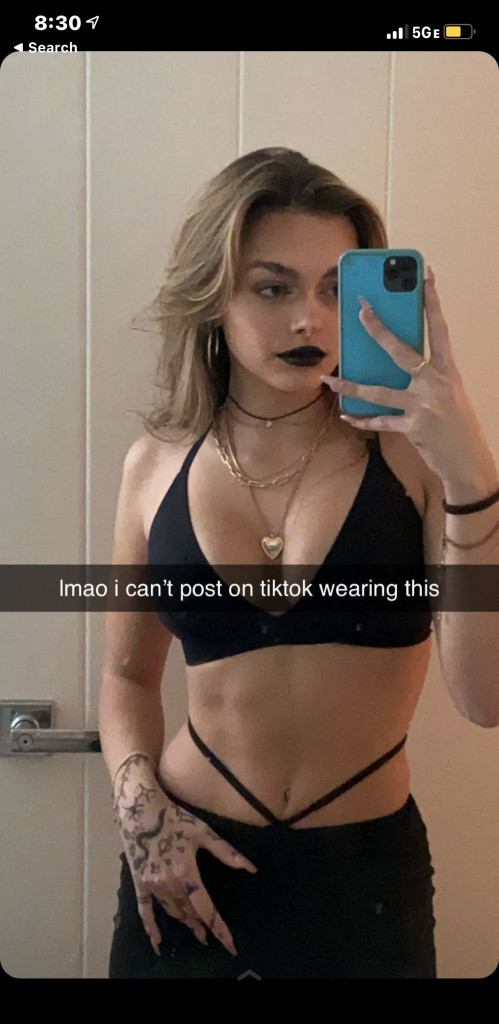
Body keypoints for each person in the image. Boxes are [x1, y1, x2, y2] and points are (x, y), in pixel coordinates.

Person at [100, 147, 445, 978]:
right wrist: (140, 811)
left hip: (365, 880)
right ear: (213, 295)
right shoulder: (154, 466)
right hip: (186, 861)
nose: (308, 322)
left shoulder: (414, 459)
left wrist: (469, 465)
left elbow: (486, 696)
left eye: (333, 289)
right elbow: (126, 676)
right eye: (272, 288)